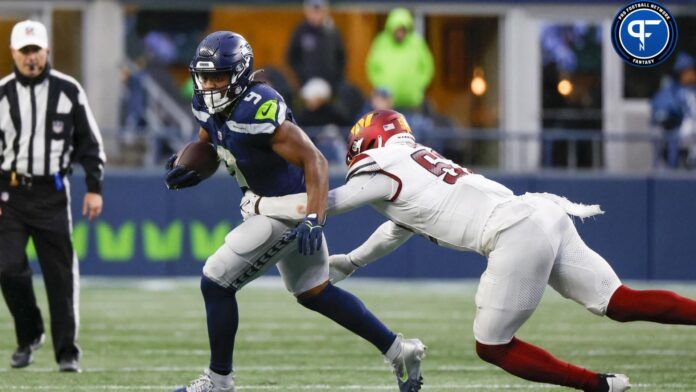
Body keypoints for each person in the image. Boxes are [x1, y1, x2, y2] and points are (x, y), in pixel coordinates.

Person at [243, 109, 696, 392]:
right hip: (541, 212)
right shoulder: (420, 162)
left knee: (491, 347)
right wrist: (352, 262)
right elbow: (399, 228)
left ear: (365, 145)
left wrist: (260, 203)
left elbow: (328, 204)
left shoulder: (383, 169)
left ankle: (597, 386)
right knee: (618, 302)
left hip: (514, 232)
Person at [165, 31, 425, 392]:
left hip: (287, 210)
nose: (209, 85)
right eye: (204, 76)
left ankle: (219, 381)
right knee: (316, 293)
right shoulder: (207, 102)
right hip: (261, 203)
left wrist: (314, 218)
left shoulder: (256, 107)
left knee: (216, 281)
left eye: (218, 77)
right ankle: (400, 350)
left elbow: (314, 159)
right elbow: (210, 140)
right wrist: (188, 162)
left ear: (239, 74)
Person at [0, 20, 106, 373]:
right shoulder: (2, 95)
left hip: (52, 194)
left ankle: (66, 351)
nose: (31, 57)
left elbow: (90, 143)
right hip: (11, 193)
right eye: (24, 51)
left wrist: (94, 187)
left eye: (36, 50)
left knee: (59, 275)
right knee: (7, 266)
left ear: (47, 51)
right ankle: (29, 334)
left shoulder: (68, 90)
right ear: (13, 53)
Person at [366, 8, 434, 111]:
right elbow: (371, 67)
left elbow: (427, 67)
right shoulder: (381, 42)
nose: (400, 32)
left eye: (402, 29)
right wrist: (381, 85)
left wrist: (417, 85)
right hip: (386, 102)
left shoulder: (416, 43)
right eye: (397, 29)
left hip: (411, 102)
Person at [286, 0, 346, 90]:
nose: (316, 15)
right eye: (313, 11)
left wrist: (335, 81)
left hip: (331, 87)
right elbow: (292, 57)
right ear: (307, 12)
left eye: (319, 11)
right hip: (306, 85)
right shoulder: (300, 31)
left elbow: (341, 58)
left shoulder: (333, 32)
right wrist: (303, 77)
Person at [651, 52, 696, 168]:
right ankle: (671, 172)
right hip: (681, 131)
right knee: (672, 136)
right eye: (689, 71)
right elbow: (661, 112)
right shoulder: (672, 90)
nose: (692, 74)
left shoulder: (692, 90)